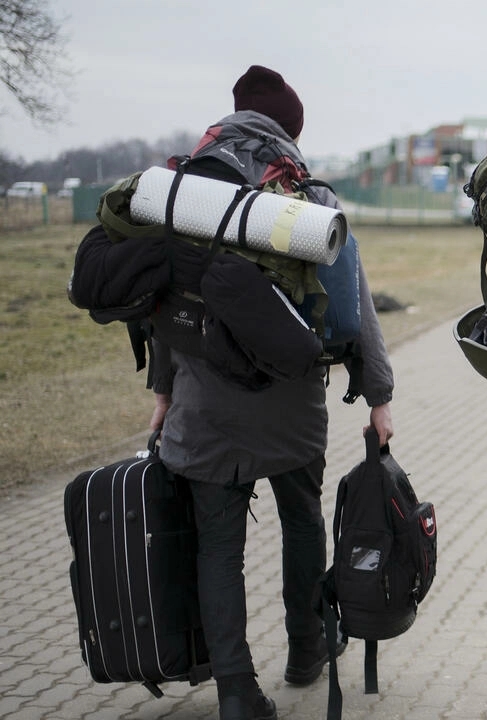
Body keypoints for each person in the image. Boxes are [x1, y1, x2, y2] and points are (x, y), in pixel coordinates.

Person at [148, 65, 395, 720]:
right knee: (301, 517)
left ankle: (236, 691)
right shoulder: (306, 197)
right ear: (290, 129)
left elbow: (167, 299)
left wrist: (163, 391)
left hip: (204, 402)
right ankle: (306, 647)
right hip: (290, 404)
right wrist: (378, 394)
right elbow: (355, 305)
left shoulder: (190, 192)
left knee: (217, 545)